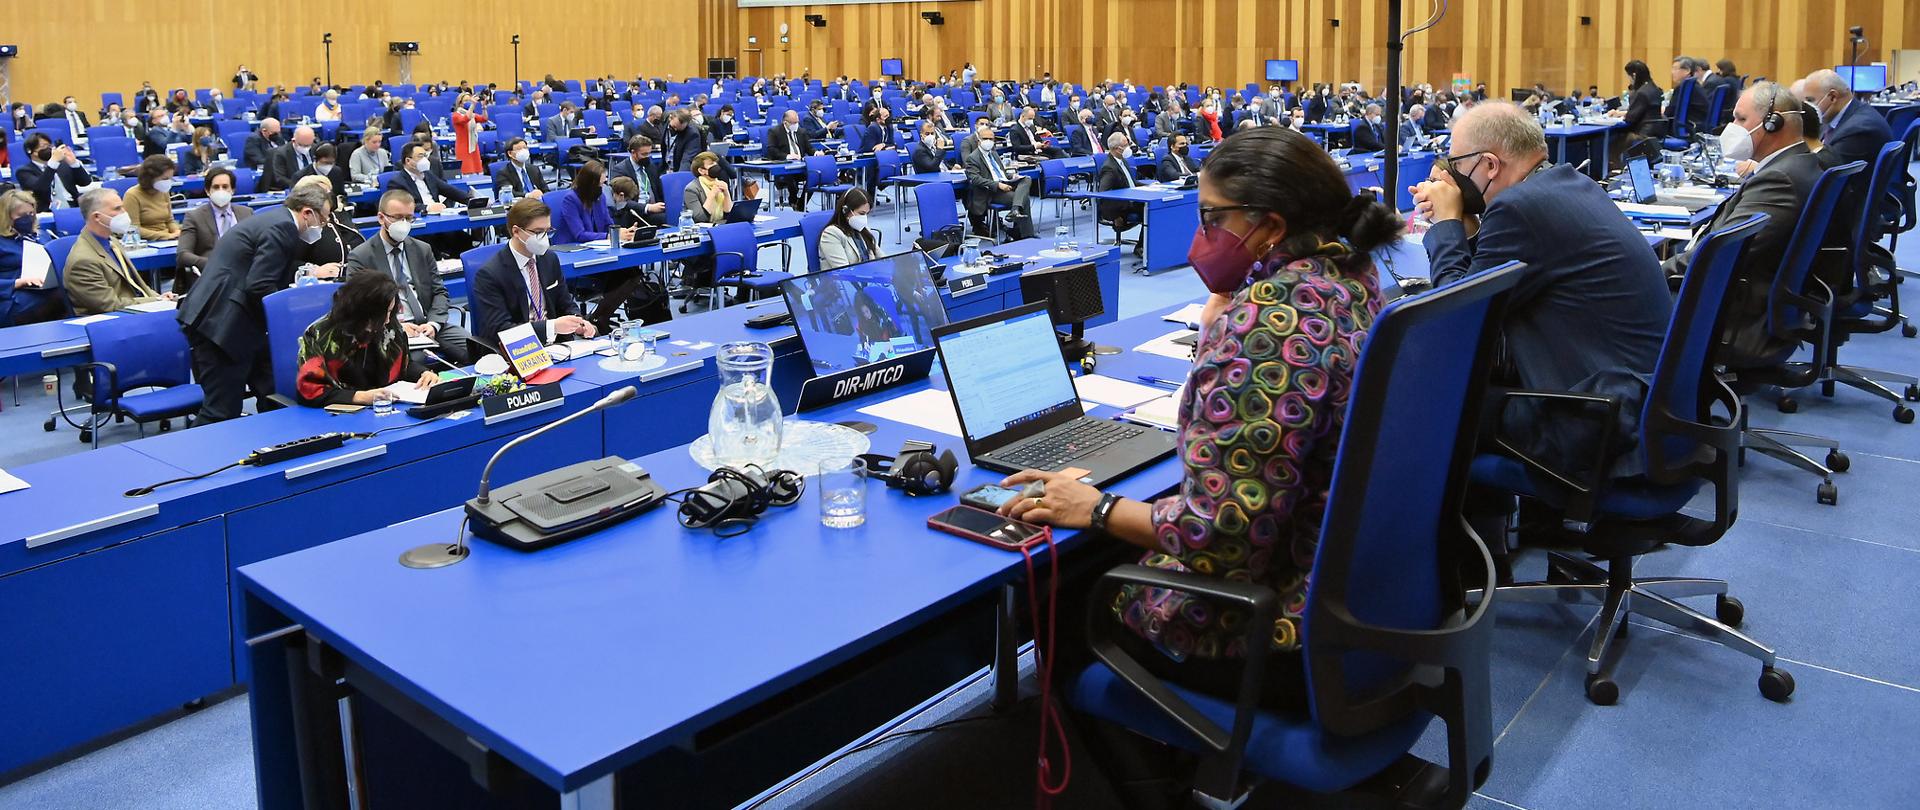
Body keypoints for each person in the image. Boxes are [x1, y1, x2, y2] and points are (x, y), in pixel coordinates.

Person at [999, 126, 1400, 716]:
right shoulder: (1351, 279)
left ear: (1269, 226)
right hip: (1359, 594)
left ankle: (1156, 771)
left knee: (1061, 587)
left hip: (1273, 628)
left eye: (1211, 217)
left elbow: (1224, 536)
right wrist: (1223, 329)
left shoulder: (1269, 322)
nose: (1200, 235)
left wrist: (1098, 509)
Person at [1411, 101, 1670, 481]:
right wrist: (1467, 228)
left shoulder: (1520, 208)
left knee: (1419, 400)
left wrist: (1446, 225)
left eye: (1457, 163)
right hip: (1637, 400)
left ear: (1489, 165)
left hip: (1597, 419)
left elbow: (1458, 322)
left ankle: (1457, 539)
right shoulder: (1568, 185)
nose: (1454, 175)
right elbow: (1500, 279)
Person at [1663, 83, 1824, 363]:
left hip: (1733, 312)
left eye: (1740, 119)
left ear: (1774, 124)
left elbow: (1717, 256)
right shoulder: (1796, 164)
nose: (1732, 127)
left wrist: (1655, 270)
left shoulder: (1779, 180)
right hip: (1753, 298)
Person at [178, 184, 333, 421]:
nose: (323, 224)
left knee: (273, 390)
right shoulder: (283, 227)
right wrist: (287, 321)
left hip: (235, 321)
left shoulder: (272, 218)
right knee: (221, 410)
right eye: (323, 218)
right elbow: (260, 285)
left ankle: (276, 443)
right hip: (222, 325)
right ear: (307, 212)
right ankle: (201, 458)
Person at [346, 190, 471, 364]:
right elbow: (357, 307)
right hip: (389, 329)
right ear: (381, 218)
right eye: (397, 217)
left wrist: (433, 324)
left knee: (476, 349)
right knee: (416, 361)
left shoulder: (422, 249)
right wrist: (396, 326)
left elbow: (439, 292)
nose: (404, 224)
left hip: (428, 324)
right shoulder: (361, 256)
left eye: (409, 218)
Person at [293, 271, 437, 408]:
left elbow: (402, 365)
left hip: (387, 407)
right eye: (382, 314)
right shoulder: (319, 335)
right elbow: (310, 390)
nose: (387, 320)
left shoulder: (387, 324)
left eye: (389, 312)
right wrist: (361, 397)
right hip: (339, 415)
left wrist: (423, 373)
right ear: (362, 310)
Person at [470, 198, 598, 349]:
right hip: (519, 351)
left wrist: (578, 321)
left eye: (547, 231)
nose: (544, 238)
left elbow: (566, 303)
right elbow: (500, 329)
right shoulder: (490, 274)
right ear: (516, 231)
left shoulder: (549, 259)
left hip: (558, 347)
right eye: (538, 232)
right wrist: (551, 327)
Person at [64, 189, 172, 315]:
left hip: (136, 309)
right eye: (117, 209)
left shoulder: (112, 241)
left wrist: (161, 297)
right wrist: (156, 301)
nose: (124, 213)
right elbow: (109, 305)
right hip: (111, 321)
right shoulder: (83, 261)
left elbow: (137, 284)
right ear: (97, 217)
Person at [176, 168, 252, 296]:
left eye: (225, 187)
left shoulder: (246, 213)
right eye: (216, 187)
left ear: (232, 190)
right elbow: (182, 255)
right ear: (207, 191)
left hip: (245, 273)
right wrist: (211, 264)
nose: (221, 191)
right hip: (213, 278)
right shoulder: (194, 216)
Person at [0, 190, 66, 326]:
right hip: (13, 297)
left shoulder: (41, 236)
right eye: (22, 215)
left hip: (46, 288)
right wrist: (17, 282)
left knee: (73, 290)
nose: (28, 218)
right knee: (64, 295)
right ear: (6, 217)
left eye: (31, 214)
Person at [963, 125, 1035, 239]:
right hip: (990, 192)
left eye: (991, 139)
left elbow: (1001, 173)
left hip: (1004, 182)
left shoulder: (994, 154)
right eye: (985, 139)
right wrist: (998, 185)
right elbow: (975, 179)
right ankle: (1026, 234)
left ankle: (1015, 211)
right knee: (1024, 198)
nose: (988, 141)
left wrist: (1012, 176)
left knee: (1026, 179)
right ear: (979, 141)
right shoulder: (972, 158)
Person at [549, 161, 630, 245]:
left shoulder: (600, 197)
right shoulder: (571, 199)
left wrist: (622, 232)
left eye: (603, 184)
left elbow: (608, 225)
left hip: (596, 245)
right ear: (589, 184)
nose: (602, 188)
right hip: (573, 247)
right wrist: (608, 236)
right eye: (600, 184)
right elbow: (580, 234)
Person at [385, 141, 470, 212]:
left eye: (425, 156)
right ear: (408, 161)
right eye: (420, 156)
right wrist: (427, 208)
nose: (425, 160)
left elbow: (450, 191)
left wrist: (472, 201)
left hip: (438, 217)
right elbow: (402, 206)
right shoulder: (397, 182)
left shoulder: (428, 175)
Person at [18, 134, 93, 212]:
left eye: (49, 145)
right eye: (44, 146)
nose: (49, 148)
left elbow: (85, 182)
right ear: (32, 151)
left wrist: (74, 163)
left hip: (73, 207)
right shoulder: (24, 171)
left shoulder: (63, 165)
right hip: (46, 211)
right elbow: (40, 189)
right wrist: (52, 164)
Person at [1095, 132, 1143, 246]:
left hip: (1133, 201)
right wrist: (1115, 216)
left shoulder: (1122, 161)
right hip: (1122, 208)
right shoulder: (1109, 168)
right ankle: (1141, 248)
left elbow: (1130, 183)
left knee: (1157, 207)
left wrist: (1150, 187)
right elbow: (1104, 194)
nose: (1129, 147)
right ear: (1117, 149)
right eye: (1126, 145)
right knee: (1152, 212)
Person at [122, 155, 183, 242]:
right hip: (147, 241)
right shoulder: (132, 195)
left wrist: (176, 231)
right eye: (165, 178)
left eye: (170, 178)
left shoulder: (163, 191)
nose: (168, 182)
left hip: (169, 238)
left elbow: (169, 220)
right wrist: (166, 236)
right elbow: (134, 229)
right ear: (150, 178)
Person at [607, 136, 666, 225]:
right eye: (644, 154)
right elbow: (621, 201)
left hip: (655, 208)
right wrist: (647, 207)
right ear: (633, 153)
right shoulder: (620, 170)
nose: (648, 157)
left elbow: (659, 191)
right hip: (635, 212)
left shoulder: (651, 166)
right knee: (664, 218)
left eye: (649, 153)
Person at [763, 110, 815, 209]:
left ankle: (801, 204)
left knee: (814, 175)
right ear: (785, 122)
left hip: (800, 166)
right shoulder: (775, 131)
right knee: (789, 176)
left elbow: (809, 148)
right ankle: (793, 200)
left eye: (797, 122)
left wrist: (816, 153)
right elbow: (771, 150)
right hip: (783, 167)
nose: (796, 125)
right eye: (793, 123)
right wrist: (787, 156)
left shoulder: (801, 131)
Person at [818, 188, 879, 272]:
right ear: (845, 210)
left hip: (868, 279)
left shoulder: (863, 229)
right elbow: (844, 272)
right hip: (842, 282)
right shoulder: (831, 234)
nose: (864, 218)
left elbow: (883, 258)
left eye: (866, 214)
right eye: (861, 213)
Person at [1611, 60, 1666, 142]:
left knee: (1613, 139)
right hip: (1656, 133)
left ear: (1634, 75)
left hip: (1642, 134)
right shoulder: (1655, 89)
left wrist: (1619, 115)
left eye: (1628, 76)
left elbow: (1630, 118)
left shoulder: (1641, 93)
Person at [683, 151, 735, 225]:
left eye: (715, 163)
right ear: (701, 171)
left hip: (721, 225)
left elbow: (728, 214)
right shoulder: (691, 189)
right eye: (711, 164)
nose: (715, 166)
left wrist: (726, 194)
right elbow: (699, 218)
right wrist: (712, 195)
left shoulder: (720, 183)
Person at [492, 137, 549, 202]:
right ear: (510, 153)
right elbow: (509, 193)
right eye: (519, 149)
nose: (523, 151)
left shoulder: (534, 169)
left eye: (525, 148)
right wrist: (528, 195)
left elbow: (546, 189)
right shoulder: (503, 173)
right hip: (519, 205)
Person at [1666, 56, 1710, 134]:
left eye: (1675, 68)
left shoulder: (1683, 88)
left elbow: (1669, 113)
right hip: (1697, 129)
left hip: (1688, 129)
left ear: (1687, 70)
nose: (1672, 72)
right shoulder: (1694, 85)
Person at [447, 93, 488, 176]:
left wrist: (484, 107)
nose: (469, 102)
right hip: (463, 147)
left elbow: (484, 119)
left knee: (477, 172)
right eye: (466, 101)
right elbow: (466, 118)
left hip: (473, 146)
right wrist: (473, 104)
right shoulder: (455, 115)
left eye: (469, 100)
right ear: (460, 103)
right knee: (467, 172)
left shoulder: (472, 114)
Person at [265, 125, 316, 192]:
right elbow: (280, 178)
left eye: (308, 145)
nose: (305, 148)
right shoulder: (281, 153)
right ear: (293, 141)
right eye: (301, 145)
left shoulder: (316, 149)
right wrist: (301, 187)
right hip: (293, 190)